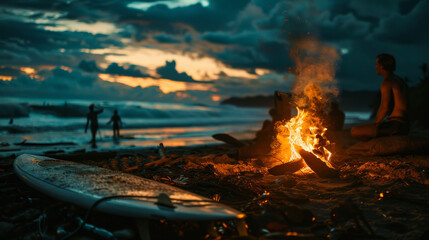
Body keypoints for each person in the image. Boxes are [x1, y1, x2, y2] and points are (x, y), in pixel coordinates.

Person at [351, 53, 408, 140]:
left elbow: (384, 108)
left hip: (395, 125)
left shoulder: (387, 82)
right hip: (405, 125)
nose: (375, 67)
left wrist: (375, 124)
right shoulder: (400, 80)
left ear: (382, 66)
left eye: (377, 64)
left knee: (354, 131)